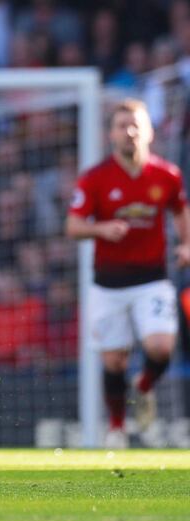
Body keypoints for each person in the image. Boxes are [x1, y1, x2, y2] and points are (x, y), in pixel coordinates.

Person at [66, 98, 190, 449]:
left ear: (149, 131)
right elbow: (73, 226)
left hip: (152, 278)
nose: (130, 132)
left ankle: (145, 386)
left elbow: (181, 211)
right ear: (111, 134)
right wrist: (102, 230)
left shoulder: (167, 175)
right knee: (115, 360)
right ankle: (118, 428)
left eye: (136, 125)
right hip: (108, 283)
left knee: (161, 347)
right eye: (122, 125)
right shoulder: (95, 178)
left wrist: (186, 244)